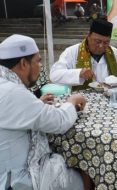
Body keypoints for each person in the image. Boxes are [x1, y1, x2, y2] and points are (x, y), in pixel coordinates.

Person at [0, 34, 87, 189]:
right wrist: (72, 101)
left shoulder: (5, 85)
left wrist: (36, 104)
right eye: (38, 61)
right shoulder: (14, 92)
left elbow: (14, 112)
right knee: (86, 174)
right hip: (16, 180)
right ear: (23, 64)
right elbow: (59, 122)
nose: (41, 66)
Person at [50, 19, 117, 91]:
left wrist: (116, 83)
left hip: (110, 97)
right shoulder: (72, 51)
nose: (101, 46)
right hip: (81, 100)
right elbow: (54, 75)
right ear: (88, 36)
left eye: (106, 42)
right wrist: (79, 73)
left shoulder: (114, 52)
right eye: (97, 41)